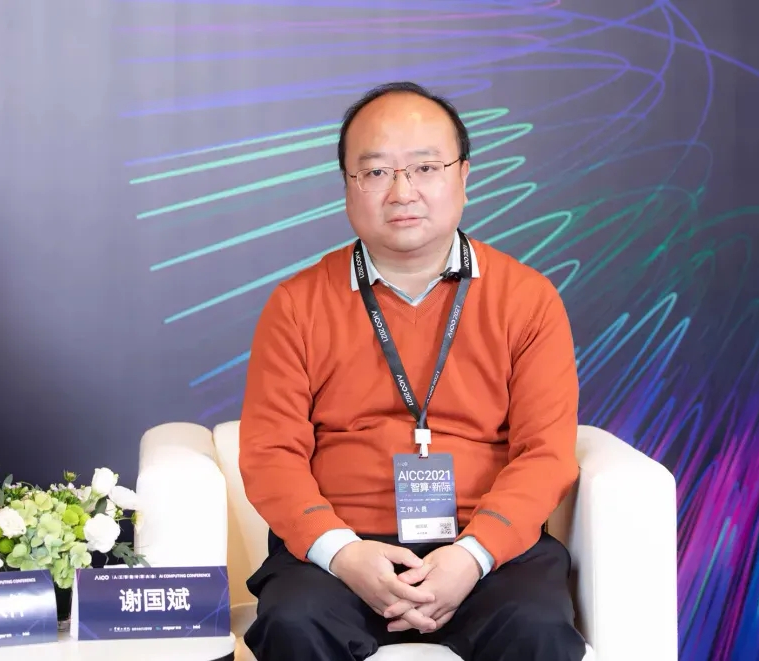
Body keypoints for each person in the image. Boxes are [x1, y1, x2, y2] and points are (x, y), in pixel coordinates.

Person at [238, 81, 587, 661]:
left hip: (486, 548)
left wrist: (471, 555)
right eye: (375, 172)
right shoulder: (297, 304)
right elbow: (269, 453)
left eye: (425, 167)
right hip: (343, 550)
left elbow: (546, 453)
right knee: (293, 622)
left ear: (464, 176)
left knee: (535, 626)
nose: (402, 191)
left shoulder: (528, 299)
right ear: (346, 186)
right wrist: (342, 552)